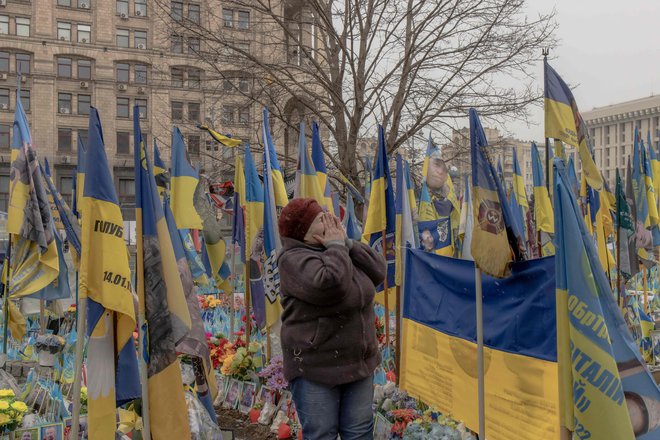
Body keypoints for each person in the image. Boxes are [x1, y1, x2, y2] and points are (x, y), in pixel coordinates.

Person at [277, 198, 386, 440]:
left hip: (357, 364)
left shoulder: (338, 247)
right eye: (320, 218)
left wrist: (347, 243)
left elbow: (379, 270)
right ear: (303, 231)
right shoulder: (292, 259)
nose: (330, 220)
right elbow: (331, 285)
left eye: (327, 214)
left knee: (359, 433)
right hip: (315, 367)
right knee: (322, 434)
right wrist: (337, 247)